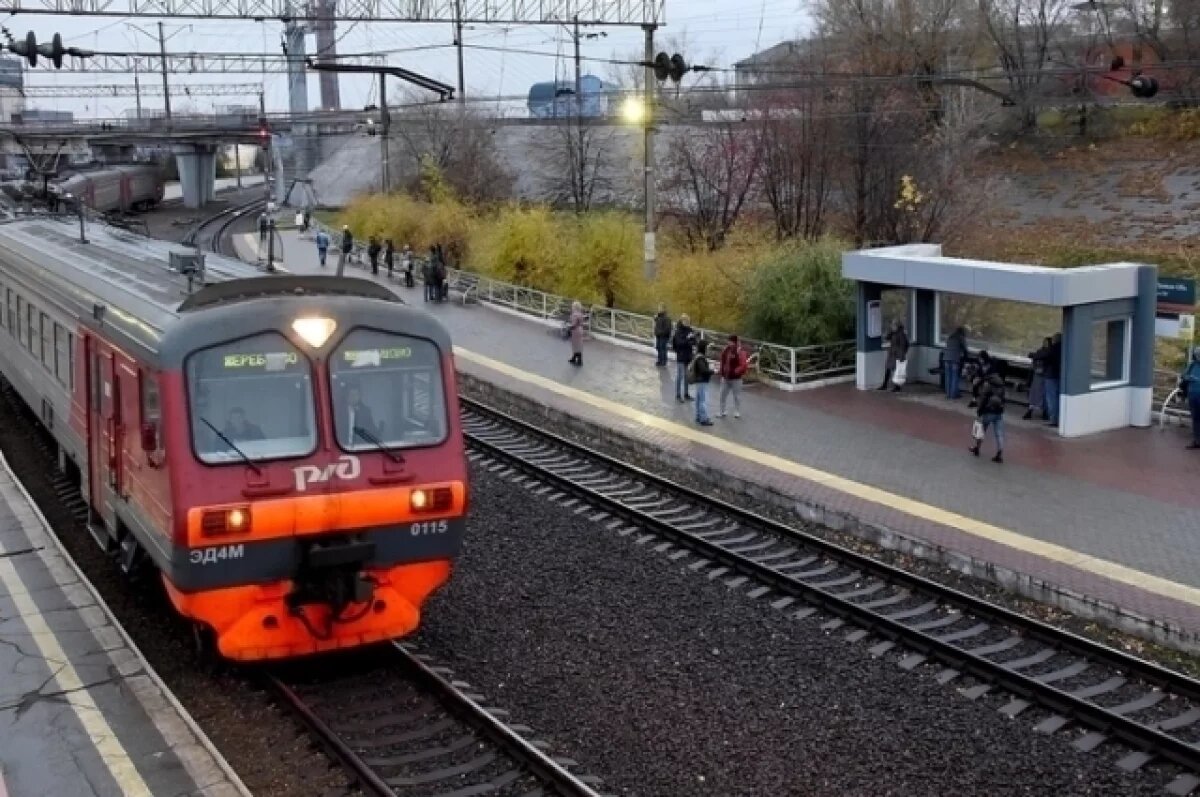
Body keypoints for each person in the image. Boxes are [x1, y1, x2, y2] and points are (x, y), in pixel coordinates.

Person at [970, 372, 1006, 463]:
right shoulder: (1002, 385)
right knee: (999, 434)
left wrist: (979, 410)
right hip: (998, 412)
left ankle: (977, 449)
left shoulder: (988, 384)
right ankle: (999, 454)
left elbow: (983, 398)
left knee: (981, 431)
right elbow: (1003, 399)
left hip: (988, 412)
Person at [718, 335, 749, 419]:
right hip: (726, 377)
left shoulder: (740, 351)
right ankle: (722, 411)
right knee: (722, 395)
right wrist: (721, 372)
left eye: (730, 341)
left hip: (736, 379)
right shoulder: (725, 350)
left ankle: (737, 411)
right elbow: (722, 362)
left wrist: (736, 371)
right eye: (728, 341)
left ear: (734, 342)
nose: (728, 342)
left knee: (737, 396)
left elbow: (744, 365)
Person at [688, 340, 714, 426]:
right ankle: (703, 419)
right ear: (704, 347)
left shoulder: (698, 356)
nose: (708, 349)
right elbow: (703, 370)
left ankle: (698, 416)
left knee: (699, 400)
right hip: (702, 381)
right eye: (707, 347)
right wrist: (713, 371)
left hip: (699, 381)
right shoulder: (701, 358)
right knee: (703, 400)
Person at [1025, 337, 1052, 421]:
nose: (1044, 343)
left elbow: (1037, 356)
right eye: (1044, 342)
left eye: (1046, 342)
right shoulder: (1041, 351)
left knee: (1043, 394)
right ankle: (1031, 410)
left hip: (1044, 376)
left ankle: (1044, 412)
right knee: (1035, 393)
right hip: (1038, 375)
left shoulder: (1048, 352)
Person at [879, 320, 909, 392]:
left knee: (897, 370)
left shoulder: (901, 334)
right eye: (892, 325)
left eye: (893, 325)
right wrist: (891, 332)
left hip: (898, 355)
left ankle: (897, 386)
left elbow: (905, 345)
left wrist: (902, 354)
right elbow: (887, 337)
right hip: (892, 354)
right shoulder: (894, 333)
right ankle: (885, 385)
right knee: (888, 369)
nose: (892, 326)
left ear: (897, 326)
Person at [672, 314, 696, 403]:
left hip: (688, 356)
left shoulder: (690, 330)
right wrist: (687, 339)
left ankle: (686, 394)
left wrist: (690, 340)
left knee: (686, 376)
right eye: (686, 321)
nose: (688, 323)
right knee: (680, 376)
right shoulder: (678, 331)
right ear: (682, 321)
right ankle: (678, 395)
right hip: (681, 356)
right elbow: (679, 343)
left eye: (689, 321)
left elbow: (694, 341)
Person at [1180, 346, 1200, 450]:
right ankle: (1196, 440)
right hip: (1192, 395)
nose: (1198, 357)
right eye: (1197, 355)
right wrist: (1189, 378)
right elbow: (1183, 375)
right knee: (1195, 418)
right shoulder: (1192, 365)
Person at [1043, 332, 1062, 427]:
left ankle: (1053, 419)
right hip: (1060, 375)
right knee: (1058, 397)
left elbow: (1045, 357)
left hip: (1051, 376)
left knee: (1051, 398)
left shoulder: (1052, 349)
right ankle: (1059, 418)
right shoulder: (1065, 348)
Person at [943, 326, 968, 399]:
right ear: (962, 332)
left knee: (948, 377)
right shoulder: (960, 338)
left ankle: (948, 394)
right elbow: (965, 349)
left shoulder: (950, 337)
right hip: (954, 359)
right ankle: (953, 395)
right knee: (954, 377)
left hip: (946, 358)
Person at [567, 301, 585, 366]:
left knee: (575, 345)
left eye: (572, 306)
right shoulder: (580, 314)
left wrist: (569, 328)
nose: (572, 307)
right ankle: (575, 358)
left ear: (574, 307)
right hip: (580, 330)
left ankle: (578, 360)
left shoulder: (574, 314)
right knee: (578, 345)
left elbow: (574, 324)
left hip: (575, 331)